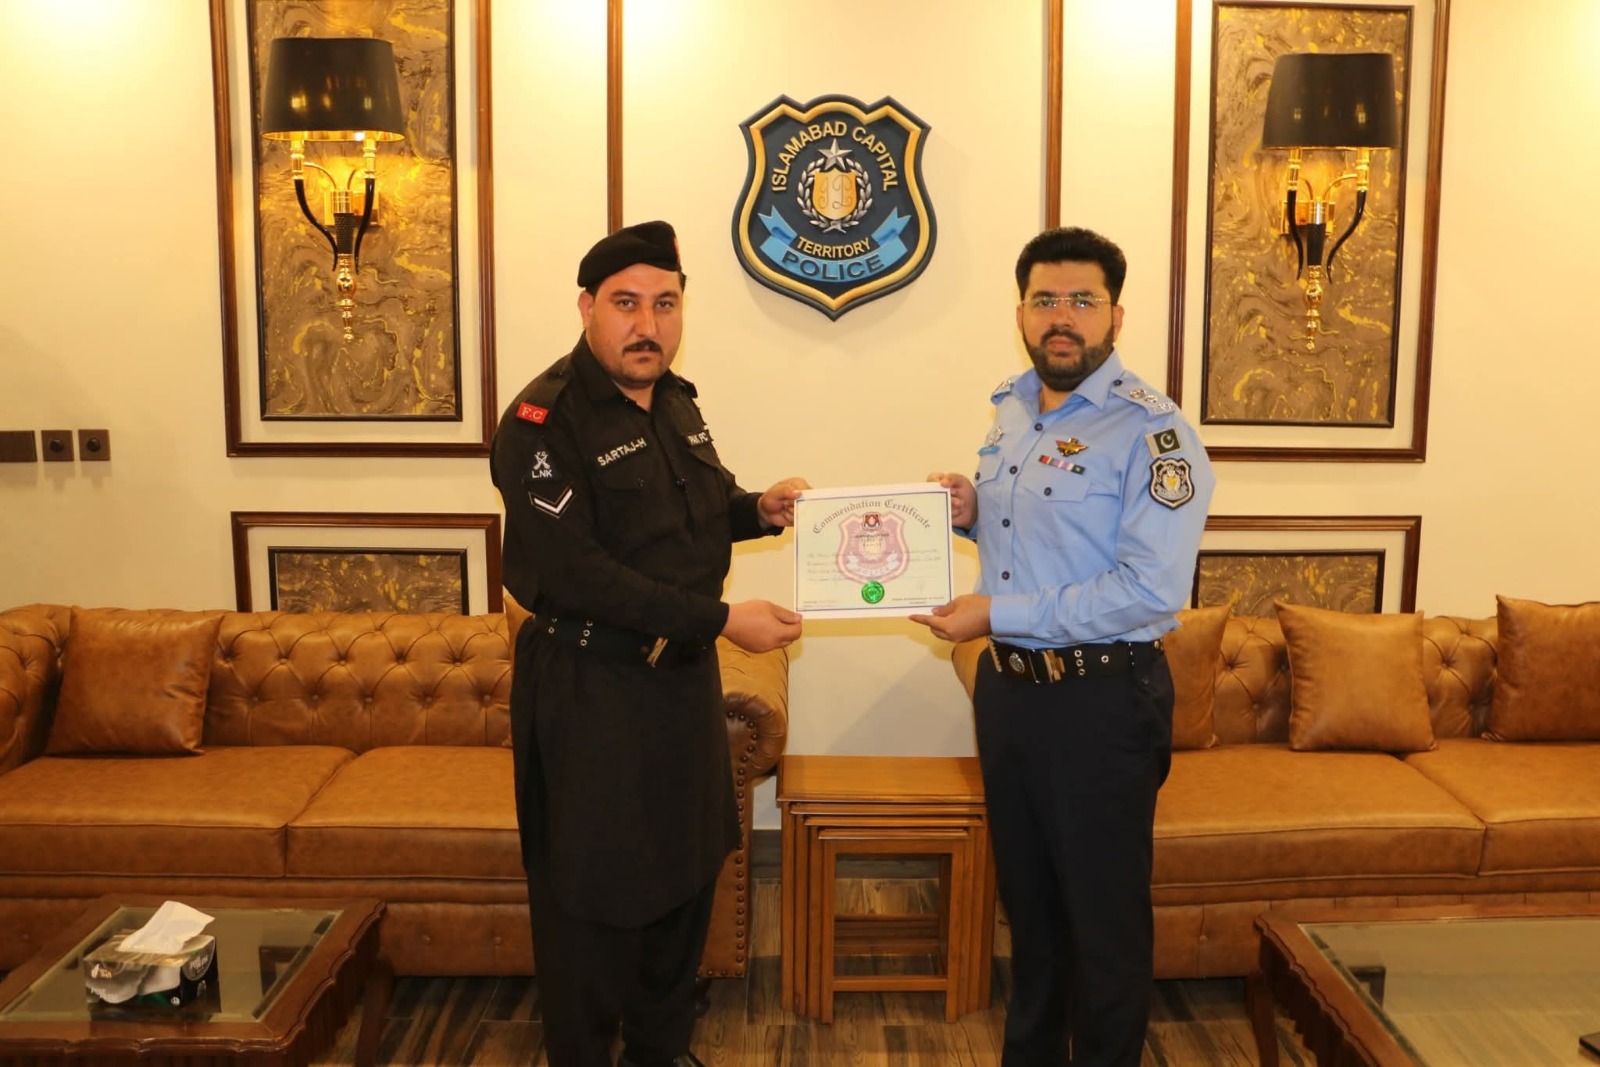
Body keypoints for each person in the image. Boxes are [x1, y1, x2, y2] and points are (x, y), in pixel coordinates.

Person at [490, 220, 806, 1067]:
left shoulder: (674, 401)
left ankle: (659, 1053)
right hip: (590, 687)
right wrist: (723, 620)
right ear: (588, 308)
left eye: (665, 304)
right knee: (590, 905)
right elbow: (583, 574)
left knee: (684, 880)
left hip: (678, 687)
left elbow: (695, 512)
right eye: (626, 303)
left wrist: (757, 509)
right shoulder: (542, 421)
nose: (648, 324)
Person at [911, 226, 1215, 1067]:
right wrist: (972, 509)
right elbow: (1040, 534)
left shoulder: (1154, 432)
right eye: (1046, 299)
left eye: (1083, 300)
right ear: (1021, 312)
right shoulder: (1012, 409)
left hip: (1102, 702)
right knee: (1033, 917)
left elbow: (1147, 590)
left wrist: (996, 612)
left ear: (1116, 315)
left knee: (1103, 929)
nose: (1063, 316)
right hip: (1011, 696)